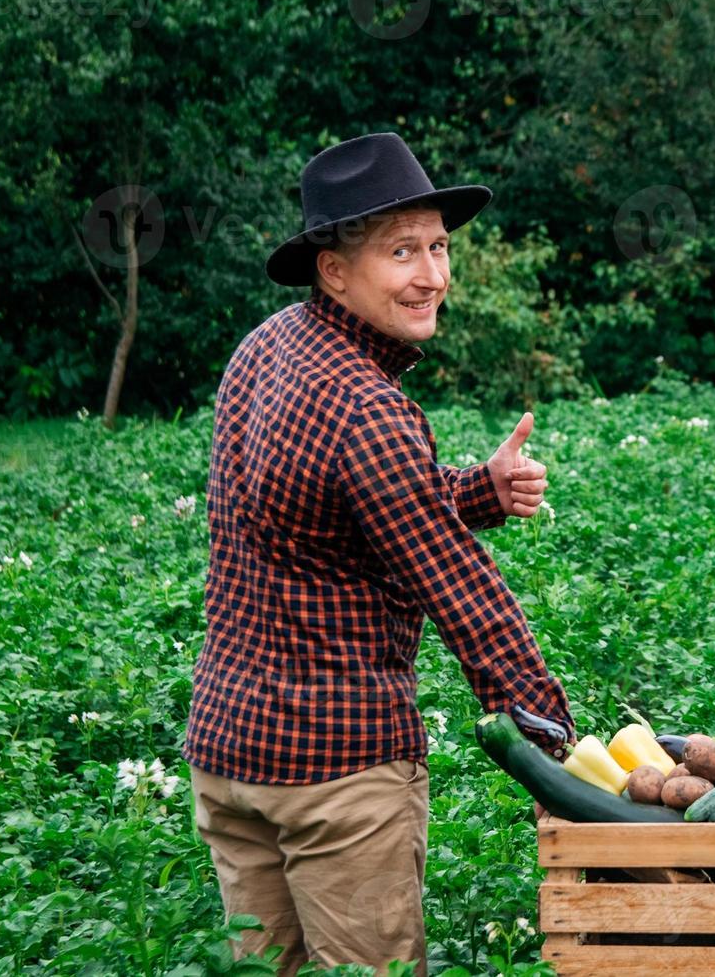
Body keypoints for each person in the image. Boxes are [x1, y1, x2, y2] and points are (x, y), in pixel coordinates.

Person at [181, 132, 576, 977]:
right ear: (335, 269)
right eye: (402, 252)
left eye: (438, 246)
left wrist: (479, 491)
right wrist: (559, 747)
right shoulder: (368, 408)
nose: (432, 274)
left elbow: (316, 516)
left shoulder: (268, 345)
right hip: (336, 773)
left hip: (227, 755)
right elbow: (462, 592)